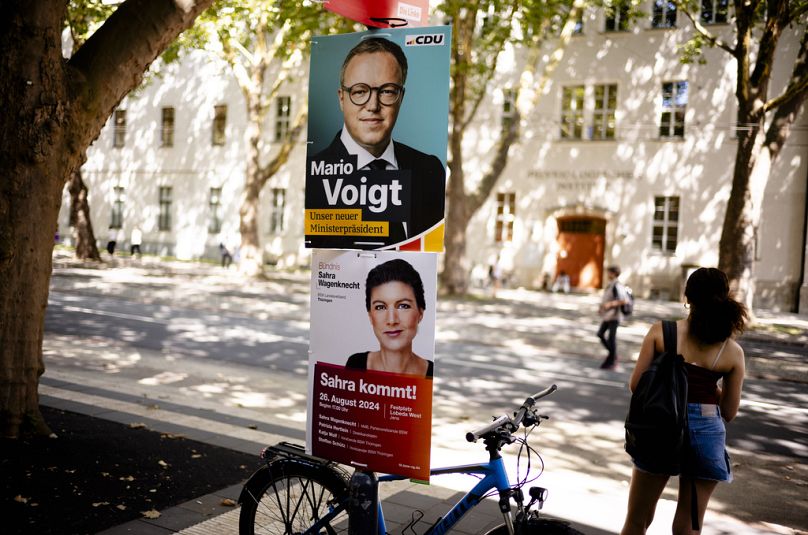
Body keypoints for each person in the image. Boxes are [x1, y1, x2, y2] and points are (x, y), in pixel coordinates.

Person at [621, 267, 747, 534]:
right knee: (689, 524)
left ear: (686, 297)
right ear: (723, 298)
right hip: (706, 432)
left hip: (660, 429)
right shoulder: (732, 351)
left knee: (637, 520)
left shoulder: (661, 332)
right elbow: (729, 411)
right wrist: (707, 386)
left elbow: (636, 385)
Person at [307, 37, 446, 247]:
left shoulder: (430, 170)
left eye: (387, 91)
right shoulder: (313, 175)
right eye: (360, 92)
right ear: (341, 98)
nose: (373, 105)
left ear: (401, 97)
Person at [346, 258, 433, 378]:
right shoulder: (355, 365)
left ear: (420, 313)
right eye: (380, 307)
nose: (392, 320)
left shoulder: (433, 374)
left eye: (403, 306)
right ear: (371, 316)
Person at [597, 265, 628, 369]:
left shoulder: (617, 285)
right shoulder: (611, 284)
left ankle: (612, 360)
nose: (607, 274)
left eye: (609, 272)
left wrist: (608, 305)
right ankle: (613, 356)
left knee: (611, 339)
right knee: (600, 334)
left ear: (614, 273)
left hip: (614, 316)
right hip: (608, 316)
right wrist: (602, 307)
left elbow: (623, 300)